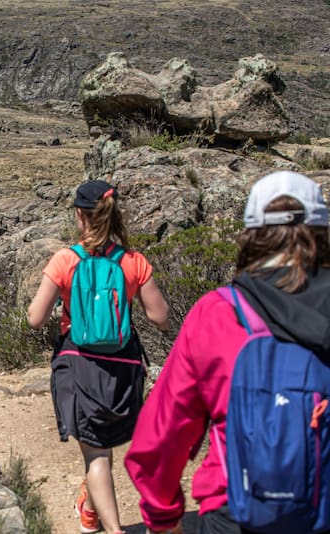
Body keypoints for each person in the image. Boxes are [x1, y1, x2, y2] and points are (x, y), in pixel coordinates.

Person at [124, 170, 330, 534]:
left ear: (250, 235)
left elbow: (160, 438)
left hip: (235, 509)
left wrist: (163, 516)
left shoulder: (219, 313)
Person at [26, 179, 170, 534]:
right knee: (104, 451)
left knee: (97, 456)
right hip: (123, 369)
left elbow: (34, 318)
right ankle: (90, 511)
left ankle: (113, 530)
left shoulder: (65, 260)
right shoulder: (134, 262)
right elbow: (160, 318)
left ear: (80, 216)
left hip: (79, 365)